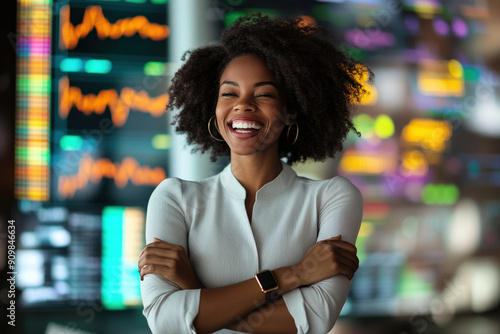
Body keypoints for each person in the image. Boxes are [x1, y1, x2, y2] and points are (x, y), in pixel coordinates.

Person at [138, 13, 371, 334]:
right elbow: (164, 322)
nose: (243, 105)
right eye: (229, 93)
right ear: (214, 108)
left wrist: (196, 294)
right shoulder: (173, 197)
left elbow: (314, 320)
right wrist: (297, 274)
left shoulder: (332, 197)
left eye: (264, 94)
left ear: (291, 111)